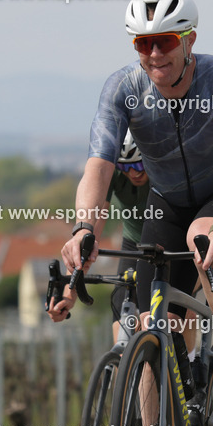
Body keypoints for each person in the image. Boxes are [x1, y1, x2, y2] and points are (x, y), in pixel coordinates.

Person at [61, 0, 213, 426]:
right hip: (168, 203)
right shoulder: (123, 89)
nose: (154, 54)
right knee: (151, 324)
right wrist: (83, 228)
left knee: (202, 238)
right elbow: (98, 167)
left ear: (189, 40)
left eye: (166, 41)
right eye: (143, 43)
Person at [48, 131, 149, 343]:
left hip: (173, 240)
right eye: (125, 167)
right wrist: (69, 293)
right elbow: (92, 231)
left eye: (139, 165)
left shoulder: (163, 168)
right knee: (122, 316)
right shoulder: (113, 173)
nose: (133, 172)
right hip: (135, 242)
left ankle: (189, 360)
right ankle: (122, 361)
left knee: (173, 315)